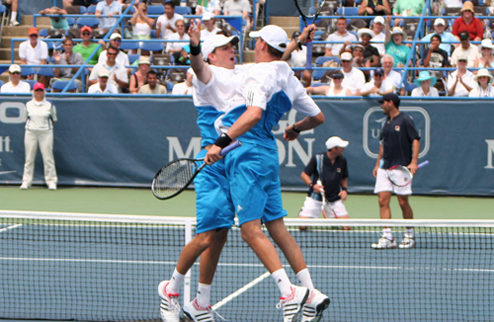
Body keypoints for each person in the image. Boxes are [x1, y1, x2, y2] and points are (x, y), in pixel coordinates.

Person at [204, 25, 329, 322]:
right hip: (269, 154)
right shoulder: (288, 76)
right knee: (278, 228)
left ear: (260, 43)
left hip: (245, 152)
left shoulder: (254, 74)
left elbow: (254, 113)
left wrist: (220, 144)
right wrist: (295, 128)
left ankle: (288, 293)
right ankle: (311, 292)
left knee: (249, 230)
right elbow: (318, 117)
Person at [372, 92, 420, 249]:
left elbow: (415, 140)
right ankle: (388, 237)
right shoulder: (386, 122)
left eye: (383, 102)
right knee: (382, 200)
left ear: (390, 103)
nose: (381, 105)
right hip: (385, 168)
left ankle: (409, 235)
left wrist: (413, 162)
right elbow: (382, 144)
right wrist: (377, 164)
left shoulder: (405, 120)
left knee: (402, 201)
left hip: (400, 167)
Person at [298, 136, 350, 229]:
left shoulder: (342, 160)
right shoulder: (317, 159)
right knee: (302, 226)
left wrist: (345, 190)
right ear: (334, 149)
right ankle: (303, 212)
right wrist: (313, 185)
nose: (344, 149)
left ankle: (332, 215)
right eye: (341, 147)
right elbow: (304, 174)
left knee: (347, 227)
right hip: (315, 198)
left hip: (334, 199)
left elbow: (343, 178)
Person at [20, 83, 58, 191]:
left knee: (48, 158)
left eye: (40, 90)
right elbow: (25, 119)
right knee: (29, 158)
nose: (39, 92)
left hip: (46, 133)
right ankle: (26, 181)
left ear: (44, 91)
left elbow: (53, 119)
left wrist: (44, 127)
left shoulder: (49, 105)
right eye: (37, 90)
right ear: (33, 91)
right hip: (31, 132)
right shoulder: (28, 104)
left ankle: (51, 181)